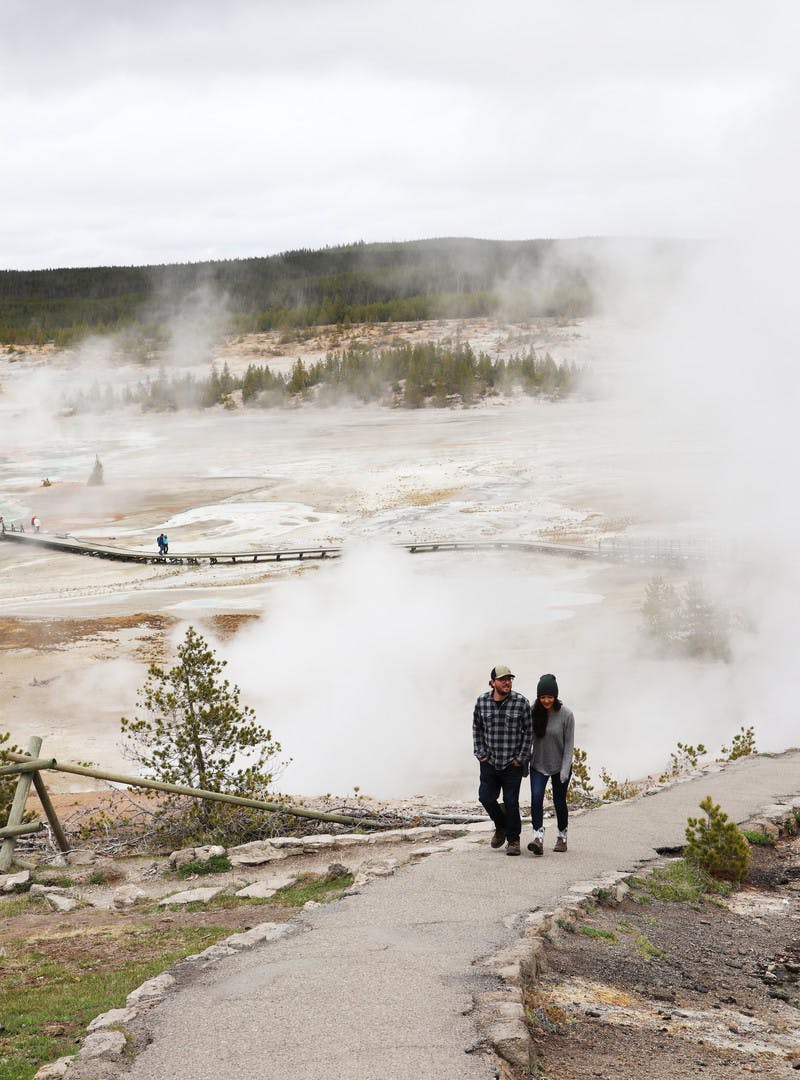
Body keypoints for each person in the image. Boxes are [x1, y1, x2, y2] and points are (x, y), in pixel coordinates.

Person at [473, 664, 532, 856]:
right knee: (486, 798)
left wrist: (520, 758)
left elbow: (528, 733)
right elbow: (477, 729)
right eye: (503, 679)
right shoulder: (482, 702)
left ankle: (513, 840)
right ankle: (501, 826)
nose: (507, 682)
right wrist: (481, 754)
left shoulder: (521, 702)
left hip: (512, 763)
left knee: (511, 801)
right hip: (489, 761)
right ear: (493, 683)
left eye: (509, 679)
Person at [528, 673, 574, 855]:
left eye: (549, 697)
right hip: (538, 764)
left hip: (560, 765)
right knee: (536, 798)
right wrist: (525, 762)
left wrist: (564, 770)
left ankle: (562, 836)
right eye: (542, 697)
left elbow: (569, 744)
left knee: (559, 801)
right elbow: (528, 739)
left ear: (555, 696)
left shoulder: (566, 715)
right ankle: (537, 837)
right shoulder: (534, 711)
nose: (546, 700)